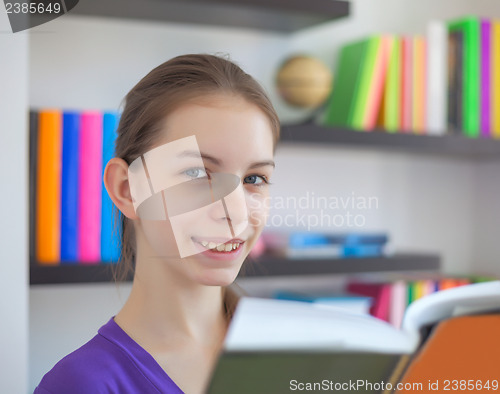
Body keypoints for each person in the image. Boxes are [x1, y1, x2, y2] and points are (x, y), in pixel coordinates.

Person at [34, 53, 280, 394]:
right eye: (197, 173)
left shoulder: (298, 358)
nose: (237, 212)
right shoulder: (82, 384)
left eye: (254, 177)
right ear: (127, 189)